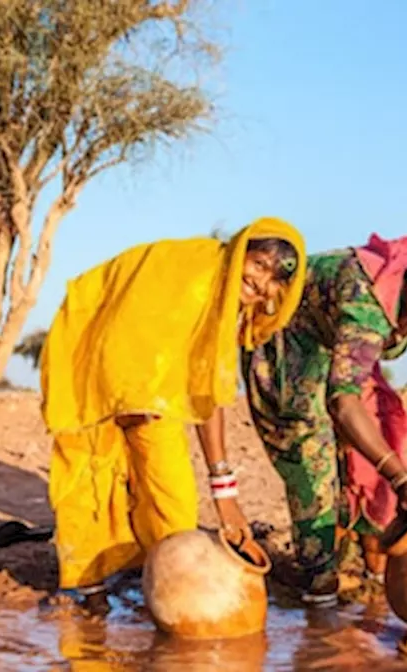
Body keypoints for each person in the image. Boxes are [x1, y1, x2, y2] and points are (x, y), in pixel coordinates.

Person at [37, 217, 307, 613]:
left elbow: (206, 392)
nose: (263, 283)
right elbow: (135, 335)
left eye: (276, 280)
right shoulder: (194, 276)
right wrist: (138, 404)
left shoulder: (227, 301)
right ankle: (84, 592)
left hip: (148, 386)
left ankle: (159, 582)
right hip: (91, 351)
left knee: (172, 501)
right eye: (259, 264)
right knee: (91, 476)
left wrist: (224, 492)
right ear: (240, 253)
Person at [234, 232, 407, 606]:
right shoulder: (369, 292)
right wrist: (403, 478)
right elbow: (342, 402)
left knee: (381, 434)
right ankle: (316, 579)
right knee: (312, 452)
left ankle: (350, 550)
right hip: (286, 338)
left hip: (338, 350)